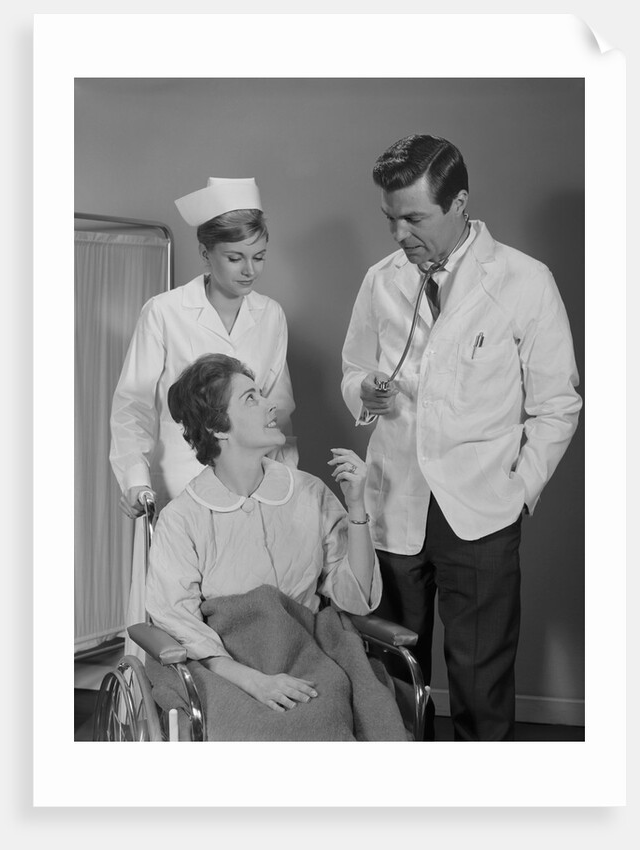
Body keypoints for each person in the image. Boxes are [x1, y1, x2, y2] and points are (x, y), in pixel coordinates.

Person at [341, 134, 582, 741]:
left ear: (460, 204)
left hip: (480, 512)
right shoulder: (381, 280)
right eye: (390, 218)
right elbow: (352, 369)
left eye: (415, 218)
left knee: (481, 683)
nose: (399, 233)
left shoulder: (524, 281)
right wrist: (362, 394)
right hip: (395, 500)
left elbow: (557, 405)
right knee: (393, 674)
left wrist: (519, 489)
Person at [144, 353, 405, 741]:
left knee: (324, 711)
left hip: (308, 652)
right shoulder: (182, 518)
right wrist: (252, 681)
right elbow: (175, 618)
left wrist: (356, 508)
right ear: (218, 427)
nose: (272, 405)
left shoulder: (309, 493)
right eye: (250, 398)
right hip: (224, 666)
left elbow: (356, 597)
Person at [110, 177, 297, 656]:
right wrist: (134, 478)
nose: (250, 270)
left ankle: (238, 703)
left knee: (244, 607)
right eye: (236, 257)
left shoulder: (271, 315)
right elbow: (132, 404)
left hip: (249, 483)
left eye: (259, 256)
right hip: (179, 479)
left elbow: (279, 408)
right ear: (205, 253)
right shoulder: (165, 312)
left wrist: (285, 485)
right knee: (176, 608)